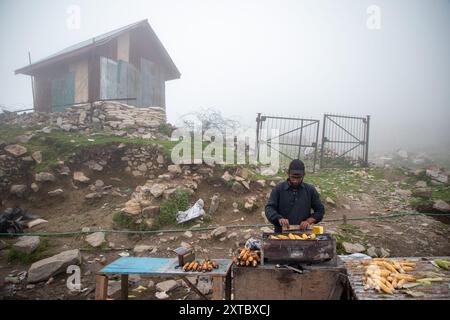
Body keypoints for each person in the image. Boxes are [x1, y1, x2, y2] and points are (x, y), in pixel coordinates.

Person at [265, 159, 325, 233]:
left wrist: (309, 221)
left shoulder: (310, 190)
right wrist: (279, 218)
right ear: (288, 174)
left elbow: (320, 210)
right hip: (281, 235)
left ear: (304, 175)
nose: (295, 181)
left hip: (304, 235)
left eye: (299, 177)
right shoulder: (278, 189)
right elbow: (269, 208)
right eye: (293, 177)